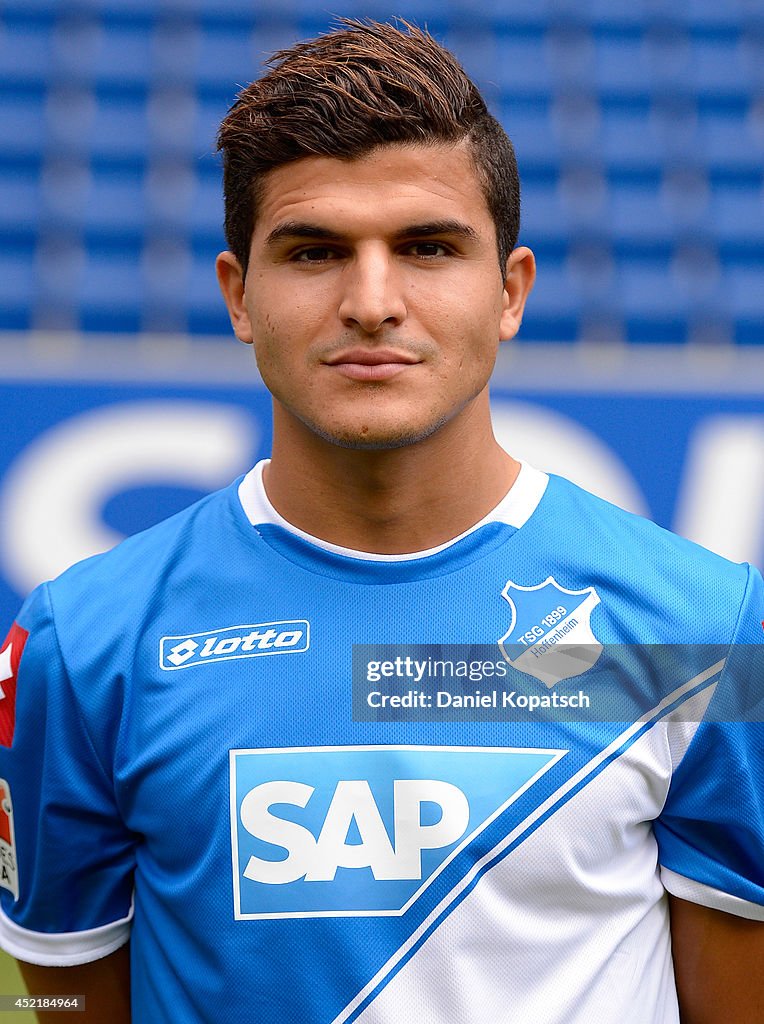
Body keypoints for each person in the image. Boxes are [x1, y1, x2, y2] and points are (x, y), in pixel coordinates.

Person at [0, 18, 762, 1024]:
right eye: (313, 251)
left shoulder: (701, 626)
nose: (371, 300)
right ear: (238, 295)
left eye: (426, 247)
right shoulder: (83, 641)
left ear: (509, 291)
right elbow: (59, 997)